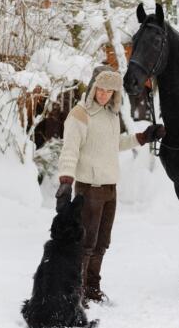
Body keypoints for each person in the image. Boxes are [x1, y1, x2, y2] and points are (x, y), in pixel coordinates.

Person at [56, 65, 164, 304]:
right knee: (86, 244)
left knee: (102, 243)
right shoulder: (79, 114)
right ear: (93, 87)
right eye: (101, 89)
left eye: (109, 91)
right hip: (89, 188)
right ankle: (78, 291)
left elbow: (114, 144)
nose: (104, 94)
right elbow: (70, 150)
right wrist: (65, 181)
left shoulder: (111, 115)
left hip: (109, 188)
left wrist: (143, 137)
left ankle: (93, 288)